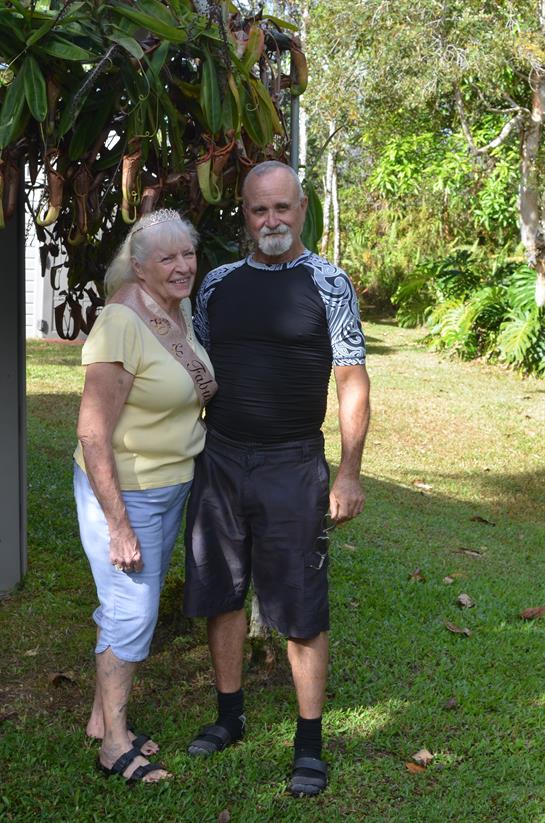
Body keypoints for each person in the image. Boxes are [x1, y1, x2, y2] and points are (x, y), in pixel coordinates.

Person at [183, 161, 370, 797]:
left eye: (282, 209)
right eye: (259, 210)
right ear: (245, 212)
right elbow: (196, 367)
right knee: (220, 591)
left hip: (294, 464)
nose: (271, 221)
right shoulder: (216, 285)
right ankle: (229, 717)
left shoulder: (329, 283)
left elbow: (351, 382)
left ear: (302, 208)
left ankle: (309, 743)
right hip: (222, 459)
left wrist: (347, 472)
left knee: (301, 605)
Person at [74, 209, 216, 783]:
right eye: (168, 258)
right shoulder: (121, 323)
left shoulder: (173, 312)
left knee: (124, 606)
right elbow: (92, 432)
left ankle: (98, 719)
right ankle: (114, 745)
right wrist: (119, 525)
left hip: (168, 485)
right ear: (138, 266)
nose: (183, 266)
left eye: (188, 254)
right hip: (126, 494)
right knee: (133, 612)